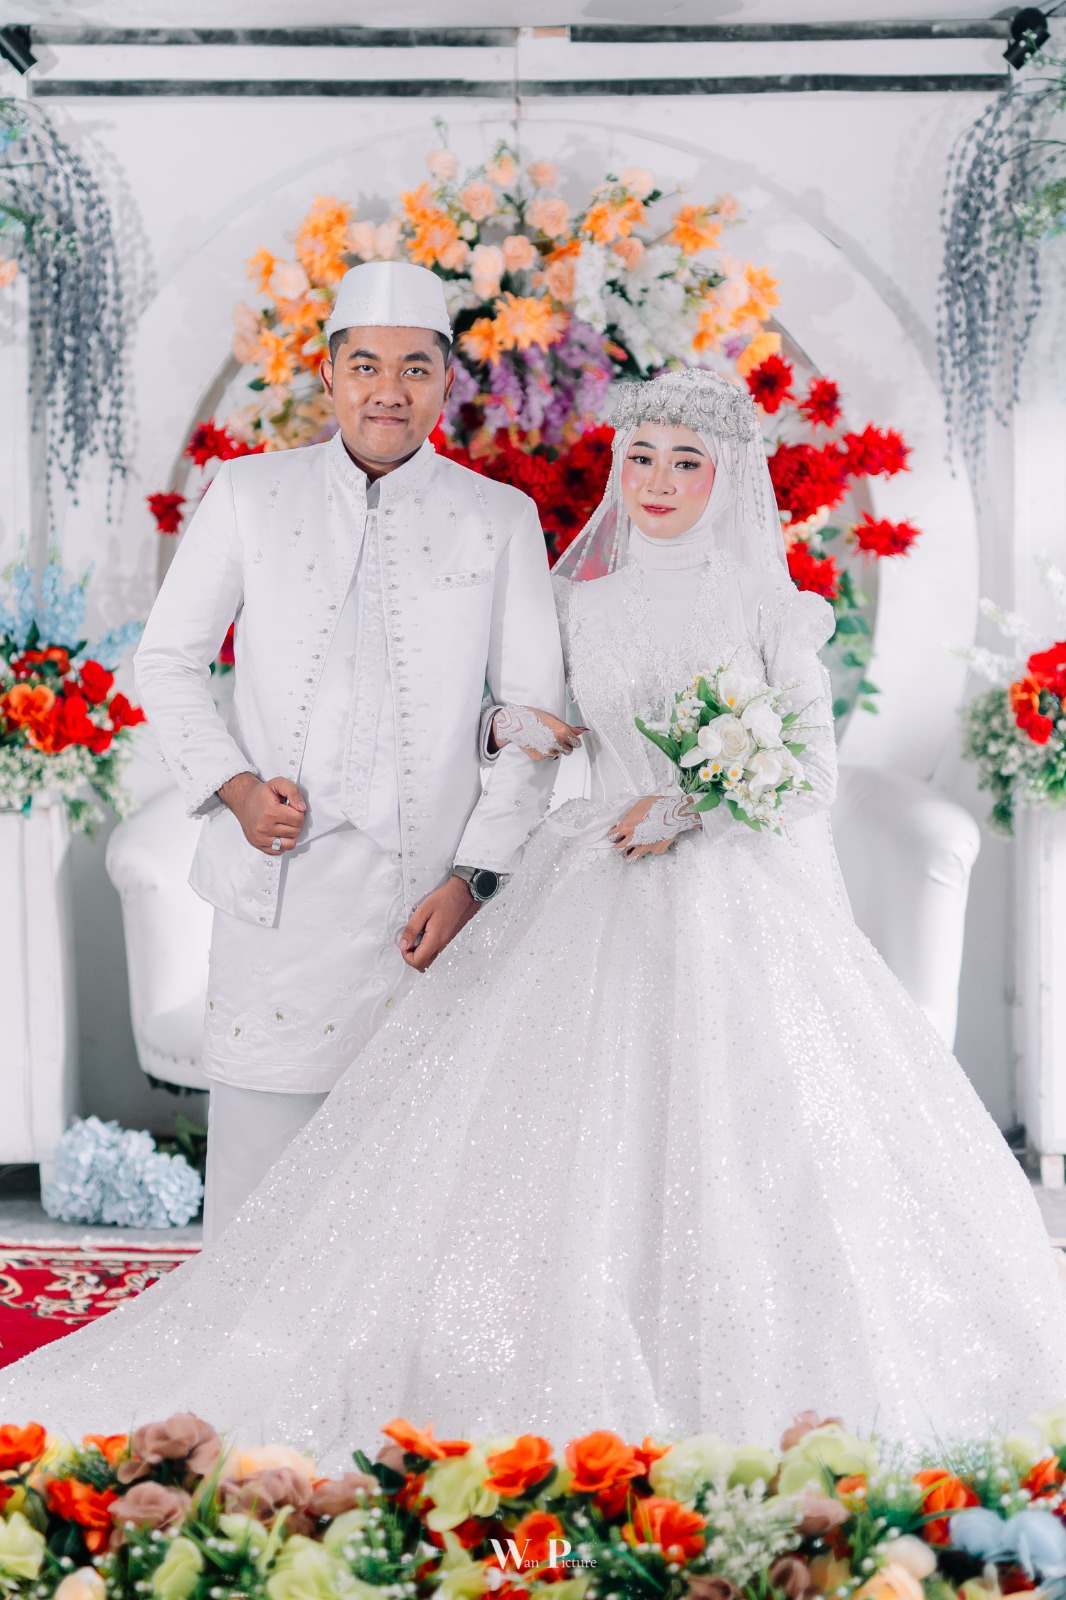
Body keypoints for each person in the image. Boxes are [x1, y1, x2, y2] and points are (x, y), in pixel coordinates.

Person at [4, 369, 1066, 1466]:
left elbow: (810, 775)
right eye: (641, 458)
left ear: (729, 477)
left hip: (730, 893)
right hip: (593, 873)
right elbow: (531, 718)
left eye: (686, 463)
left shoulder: (769, 605)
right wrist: (504, 725)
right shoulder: (580, 604)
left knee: (739, 1125)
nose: (658, 481)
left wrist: (693, 805)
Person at [132, 258, 565, 1238]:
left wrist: (474, 880)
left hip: (427, 909)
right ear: (327, 374)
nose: (388, 390)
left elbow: (534, 721)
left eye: (415, 367)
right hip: (278, 894)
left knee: (416, 1199)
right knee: (259, 1195)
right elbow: (166, 662)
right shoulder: (249, 494)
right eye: (366, 364)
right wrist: (235, 787)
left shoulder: (498, 518)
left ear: (446, 381)